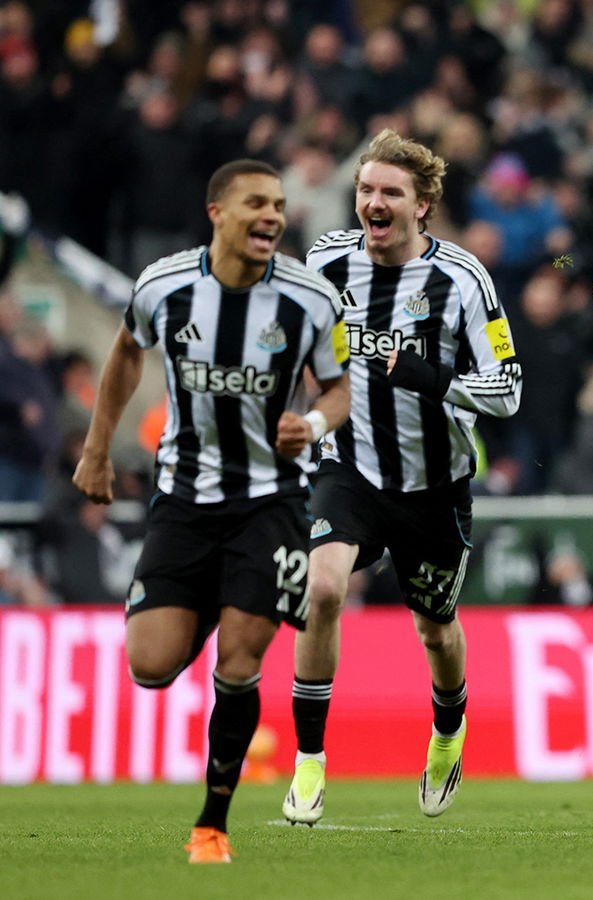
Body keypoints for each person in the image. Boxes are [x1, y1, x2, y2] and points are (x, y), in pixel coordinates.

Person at [73, 160, 351, 863]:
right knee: (151, 665)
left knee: (239, 663)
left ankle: (212, 823)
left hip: (270, 502)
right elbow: (126, 353)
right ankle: (207, 602)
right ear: (216, 212)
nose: (273, 216)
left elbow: (341, 388)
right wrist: (98, 449)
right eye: (256, 203)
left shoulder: (311, 299)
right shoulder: (163, 286)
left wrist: (313, 425)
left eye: (280, 205)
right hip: (183, 499)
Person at [283, 130, 523, 825]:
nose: (374, 202)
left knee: (436, 631)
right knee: (322, 587)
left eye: (391, 192)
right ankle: (308, 763)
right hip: (349, 466)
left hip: (434, 484)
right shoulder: (325, 262)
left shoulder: (463, 280)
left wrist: (428, 377)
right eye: (366, 190)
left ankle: (448, 731)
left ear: (423, 206)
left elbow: (506, 390)